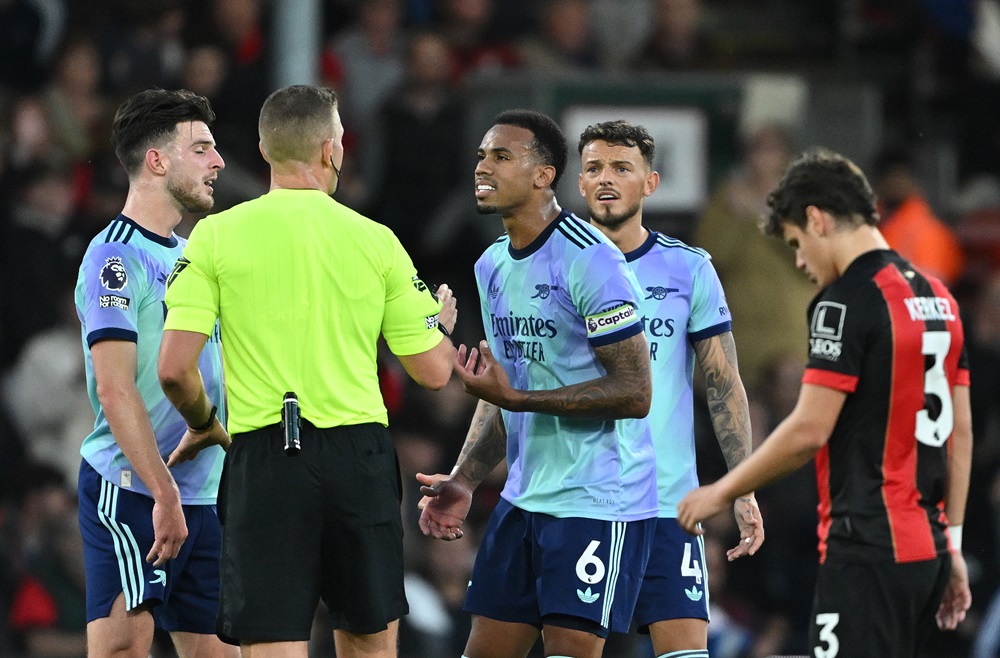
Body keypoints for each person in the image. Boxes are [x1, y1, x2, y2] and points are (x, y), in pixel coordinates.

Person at [156, 84, 457, 658]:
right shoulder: (377, 242)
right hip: (358, 458)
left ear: (266, 152)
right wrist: (439, 326)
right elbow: (435, 373)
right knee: (370, 646)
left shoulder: (215, 236)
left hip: (265, 459)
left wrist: (202, 421)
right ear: (330, 150)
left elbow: (174, 369)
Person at [677, 149, 974, 657]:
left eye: (795, 242)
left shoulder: (844, 301)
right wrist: (954, 545)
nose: (799, 261)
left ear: (817, 218)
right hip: (928, 553)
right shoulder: (938, 297)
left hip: (866, 550)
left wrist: (722, 491)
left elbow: (810, 430)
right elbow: (959, 433)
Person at [417, 109, 658, 658]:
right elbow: (499, 389)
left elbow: (635, 391)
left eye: (501, 156)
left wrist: (519, 399)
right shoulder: (491, 264)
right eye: (481, 155)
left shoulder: (591, 259)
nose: (483, 166)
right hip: (525, 499)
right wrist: (465, 478)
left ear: (544, 175)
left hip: (598, 497)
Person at [577, 119, 764, 658]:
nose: (606, 179)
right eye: (593, 168)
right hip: (577, 501)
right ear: (580, 183)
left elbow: (724, 384)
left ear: (651, 183)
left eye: (621, 167)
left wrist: (743, 487)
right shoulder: (551, 265)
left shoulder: (688, 268)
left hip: (667, 504)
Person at [73, 89, 235, 658]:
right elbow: (114, 389)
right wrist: (162, 492)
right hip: (135, 490)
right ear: (157, 160)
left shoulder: (194, 256)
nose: (218, 161)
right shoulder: (114, 258)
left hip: (200, 494)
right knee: (122, 648)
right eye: (202, 148)